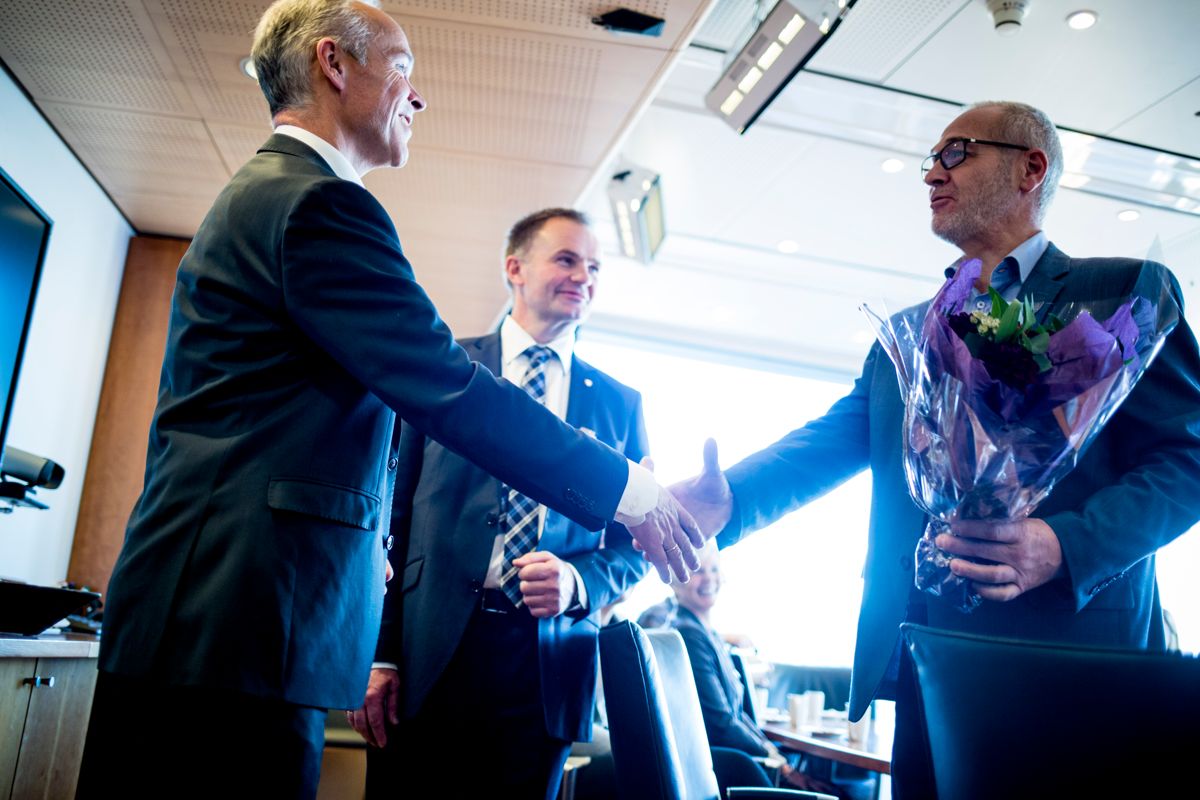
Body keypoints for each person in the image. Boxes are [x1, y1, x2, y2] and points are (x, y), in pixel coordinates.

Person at [76, 3, 701, 797]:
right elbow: (451, 391)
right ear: (334, 65)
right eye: (402, 68)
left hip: (219, 619)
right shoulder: (320, 205)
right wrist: (633, 491)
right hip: (237, 625)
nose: (418, 96)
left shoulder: (274, 194)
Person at [670, 100, 1200, 798]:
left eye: (956, 153)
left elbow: (1189, 461)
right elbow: (834, 439)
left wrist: (1064, 545)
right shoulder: (907, 331)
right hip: (926, 659)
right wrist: (731, 497)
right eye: (930, 160)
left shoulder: (1125, 294)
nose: (931, 175)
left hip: (1078, 665)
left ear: (1030, 168)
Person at [352, 208, 651, 799]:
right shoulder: (446, 368)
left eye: (594, 267)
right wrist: (379, 654)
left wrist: (579, 582)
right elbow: (388, 517)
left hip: (546, 668)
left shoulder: (620, 405)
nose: (583, 277)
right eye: (566, 259)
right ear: (515, 267)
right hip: (425, 652)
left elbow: (635, 546)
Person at [667, 542, 839, 795]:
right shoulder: (689, 636)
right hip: (720, 765)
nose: (710, 578)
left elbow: (737, 715)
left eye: (714, 569)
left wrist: (772, 753)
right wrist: (781, 766)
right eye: (698, 570)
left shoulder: (707, 632)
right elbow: (721, 723)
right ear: (676, 581)